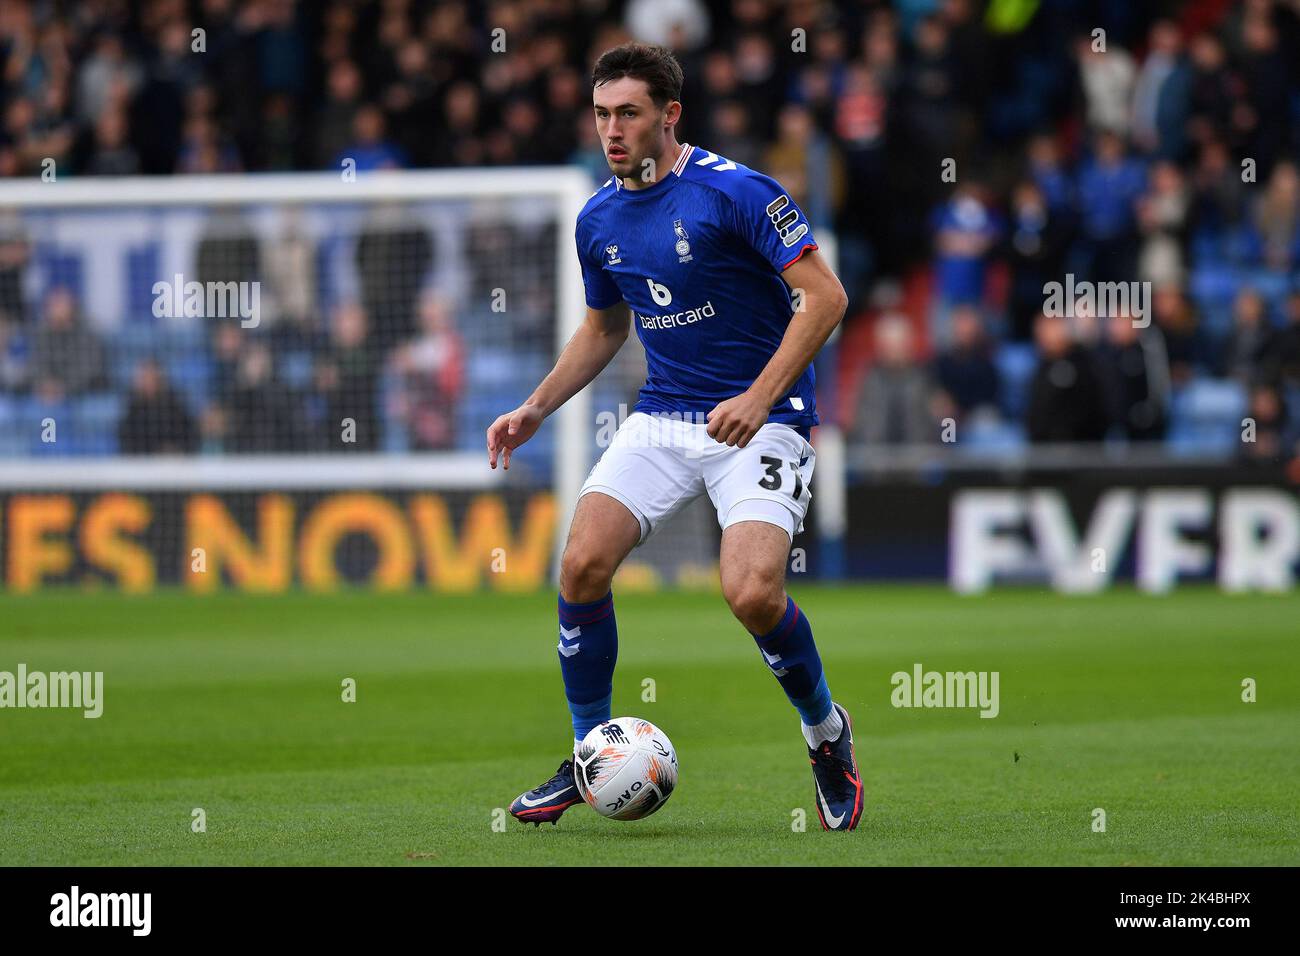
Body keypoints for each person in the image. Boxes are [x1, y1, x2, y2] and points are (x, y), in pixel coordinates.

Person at [486, 43, 861, 831]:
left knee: (752, 592)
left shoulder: (737, 193)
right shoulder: (597, 218)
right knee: (582, 564)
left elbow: (825, 298)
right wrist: (536, 408)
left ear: (669, 115)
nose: (611, 130)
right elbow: (604, 328)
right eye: (601, 114)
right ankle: (592, 754)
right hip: (664, 415)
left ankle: (826, 734)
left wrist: (760, 397)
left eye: (628, 113)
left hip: (765, 420)